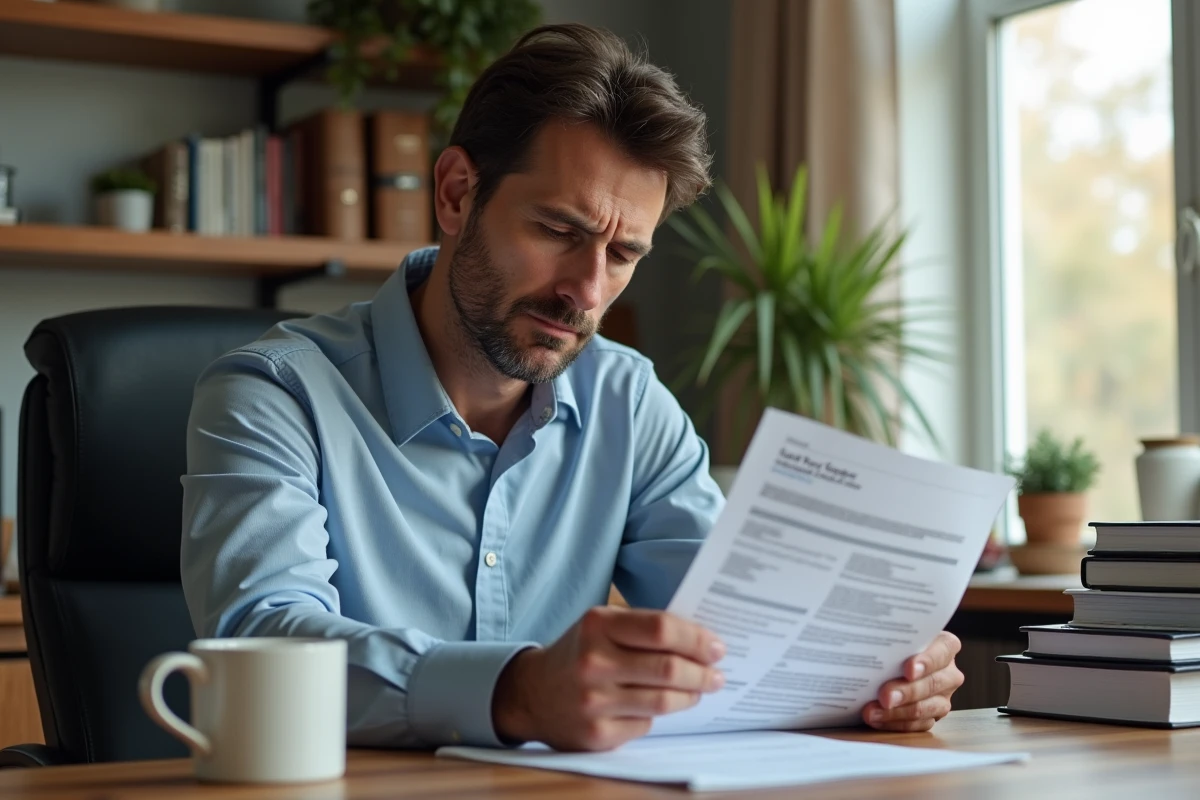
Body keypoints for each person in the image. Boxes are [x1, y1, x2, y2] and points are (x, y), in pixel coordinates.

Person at [180, 23, 963, 753]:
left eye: (623, 254)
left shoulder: (629, 401)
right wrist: (516, 693)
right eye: (559, 231)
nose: (587, 292)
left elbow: (731, 626)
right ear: (456, 194)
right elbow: (265, 638)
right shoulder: (273, 395)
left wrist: (877, 673)